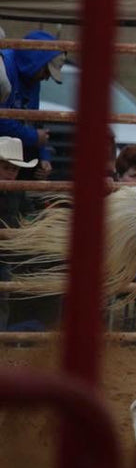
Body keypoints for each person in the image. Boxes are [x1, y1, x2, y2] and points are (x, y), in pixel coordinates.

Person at [0, 30, 65, 180]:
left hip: (11, 152)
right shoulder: (4, 67)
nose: (46, 78)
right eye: (46, 71)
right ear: (36, 61)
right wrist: (33, 137)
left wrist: (44, 156)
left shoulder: (32, 79)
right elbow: (1, 119)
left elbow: (33, 121)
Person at [0, 137, 38, 330]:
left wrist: (29, 227)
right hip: (7, 249)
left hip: (6, 253)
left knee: (3, 297)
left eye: (14, 169)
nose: (10, 174)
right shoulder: (16, 190)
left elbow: (29, 212)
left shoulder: (17, 191)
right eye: (6, 167)